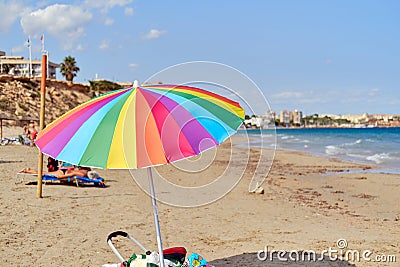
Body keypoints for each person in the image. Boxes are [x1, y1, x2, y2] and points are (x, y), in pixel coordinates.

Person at [20, 165, 92, 179]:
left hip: (65, 171)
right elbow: (72, 174)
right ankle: (27, 170)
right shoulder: (83, 173)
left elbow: (73, 173)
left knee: (44, 173)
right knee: (44, 173)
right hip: (64, 173)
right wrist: (61, 177)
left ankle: (28, 170)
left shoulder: (86, 169)